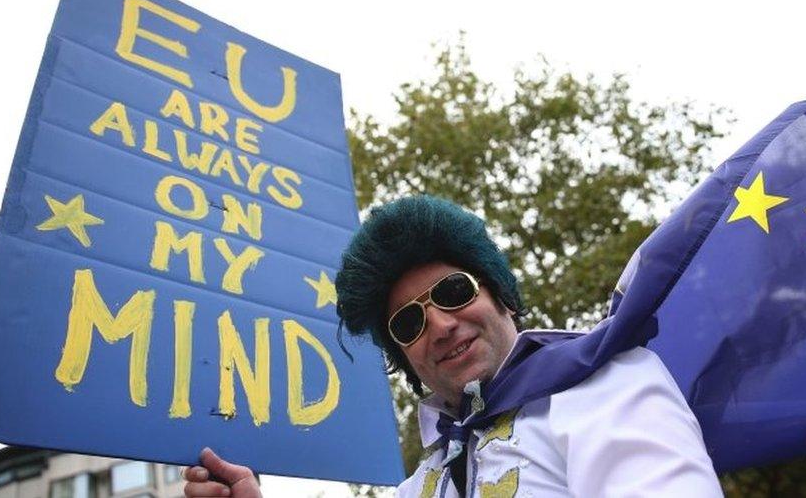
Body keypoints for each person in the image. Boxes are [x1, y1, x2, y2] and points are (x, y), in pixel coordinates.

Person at [183, 196, 723, 497]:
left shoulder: (607, 384)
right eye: (409, 323)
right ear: (408, 360)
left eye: (453, 292)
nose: (440, 324)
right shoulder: (420, 482)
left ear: (502, 296)